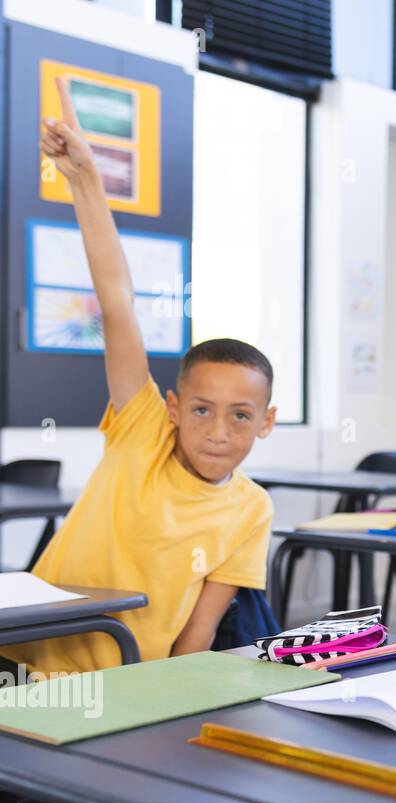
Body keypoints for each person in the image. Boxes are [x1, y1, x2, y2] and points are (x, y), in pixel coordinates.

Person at [0, 77, 276, 680]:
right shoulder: (142, 432)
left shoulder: (251, 509)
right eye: (202, 409)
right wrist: (85, 179)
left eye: (241, 415)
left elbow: (198, 634)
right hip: (21, 662)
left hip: (125, 682)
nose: (218, 431)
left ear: (266, 422)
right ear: (173, 407)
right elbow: (118, 302)